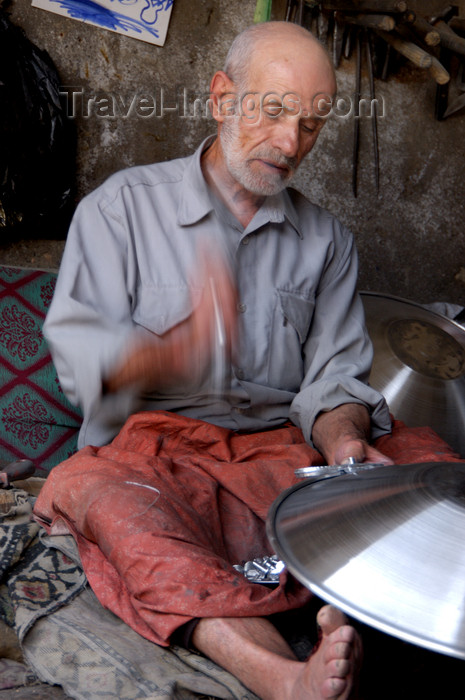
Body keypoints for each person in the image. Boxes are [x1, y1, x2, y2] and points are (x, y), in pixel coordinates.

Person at [34, 20, 461, 700]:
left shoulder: (325, 241)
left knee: (432, 468)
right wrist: (176, 353)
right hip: (151, 455)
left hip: (275, 453)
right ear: (221, 96)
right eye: (272, 110)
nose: (291, 143)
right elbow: (82, 377)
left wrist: (345, 438)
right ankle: (285, 676)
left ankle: (352, 610)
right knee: (109, 504)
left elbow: (333, 378)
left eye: (312, 125)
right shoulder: (119, 211)